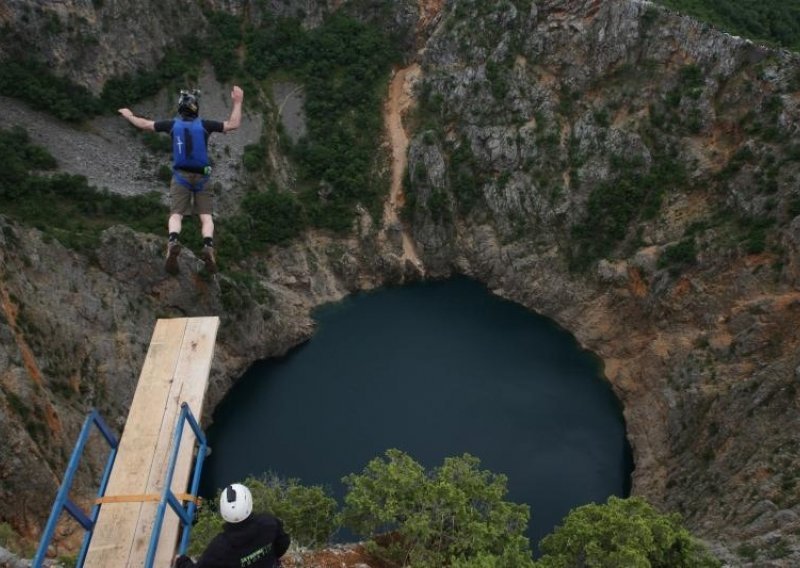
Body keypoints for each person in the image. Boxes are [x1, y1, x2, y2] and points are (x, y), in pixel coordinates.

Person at [118, 85, 244, 274]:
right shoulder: (205, 125)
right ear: (196, 109)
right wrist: (238, 101)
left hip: (181, 176)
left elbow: (144, 125)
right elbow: (233, 124)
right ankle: (208, 246)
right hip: (202, 176)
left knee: (176, 214)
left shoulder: (171, 125)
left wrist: (128, 115)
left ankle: (173, 243)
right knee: (206, 217)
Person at [175, 483, 291, 568]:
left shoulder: (219, 548)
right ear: (249, 503)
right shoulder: (268, 523)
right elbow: (283, 542)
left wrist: (181, 562)